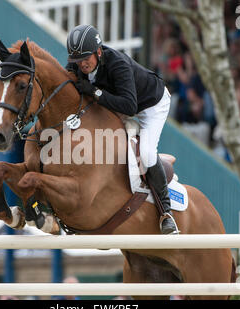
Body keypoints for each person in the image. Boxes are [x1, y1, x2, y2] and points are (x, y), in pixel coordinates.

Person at [66, 24, 179, 235]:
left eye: (86, 58)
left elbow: (129, 105)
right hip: (121, 104)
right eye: (77, 60)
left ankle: (166, 213)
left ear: (98, 52)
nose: (82, 64)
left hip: (150, 104)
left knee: (145, 153)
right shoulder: (76, 65)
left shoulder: (117, 64)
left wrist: (95, 92)